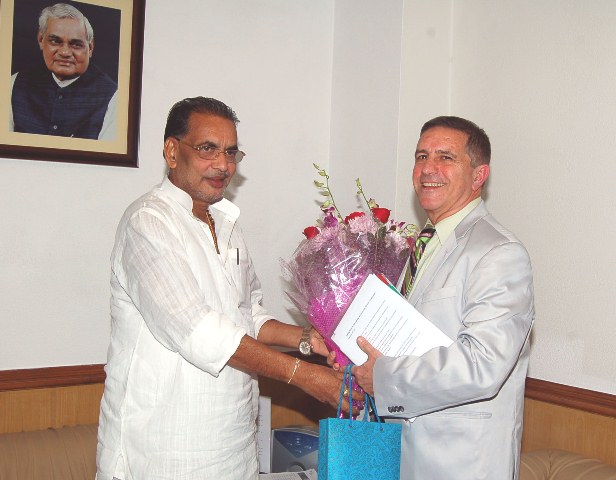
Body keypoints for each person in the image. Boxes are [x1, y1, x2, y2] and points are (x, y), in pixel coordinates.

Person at [96, 97, 349, 480]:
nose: (223, 165)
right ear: (171, 151)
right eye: (207, 149)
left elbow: (247, 315)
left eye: (231, 152)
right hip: (162, 455)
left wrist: (307, 339)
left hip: (232, 450)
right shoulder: (148, 223)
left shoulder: (226, 224)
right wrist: (305, 376)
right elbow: (198, 331)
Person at [352, 116, 535, 479]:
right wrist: (351, 358)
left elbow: (483, 364)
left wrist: (384, 377)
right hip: (399, 452)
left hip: (460, 462)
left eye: (445, 157)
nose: (427, 169)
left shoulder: (499, 252)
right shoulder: (421, 244)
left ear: (479, 176)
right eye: (421, 156)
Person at [9, 3, 117, 140]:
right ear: (41, 40)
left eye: (76, 44)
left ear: (90, 48)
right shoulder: (14, 84)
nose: (65, 52)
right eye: (55, 41)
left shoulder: (113, 98)